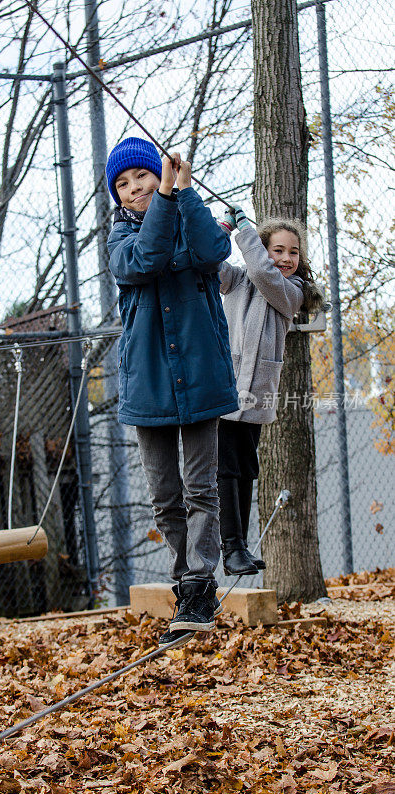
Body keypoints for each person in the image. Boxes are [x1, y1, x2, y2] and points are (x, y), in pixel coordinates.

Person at [105, 137, 238, 643]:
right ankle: (186, 578)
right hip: (150, 384)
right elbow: (148, 258)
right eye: (124, 183)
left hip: (201, 375)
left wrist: (183, 190)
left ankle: (200, 587)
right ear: (117, 195)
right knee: (165, 496)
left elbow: (213, 250)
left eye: (143, 175)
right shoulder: (120, 241)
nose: (136, 187)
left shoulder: (187, 212)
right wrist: (165, 196)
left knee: (202, 488)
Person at [216, 205, 324, 575]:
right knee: (226, 466)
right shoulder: (242, 278)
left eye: (293, 252)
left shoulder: (291, 290)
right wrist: (224, 228)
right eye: (277, 250)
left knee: (245, 468)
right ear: (263, 249)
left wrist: (245, 232)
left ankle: (239, 547)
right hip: (227, 387)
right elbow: (210, 265)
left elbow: (265, 275)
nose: (286, 258)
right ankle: (230, 547)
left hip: (258, 390)